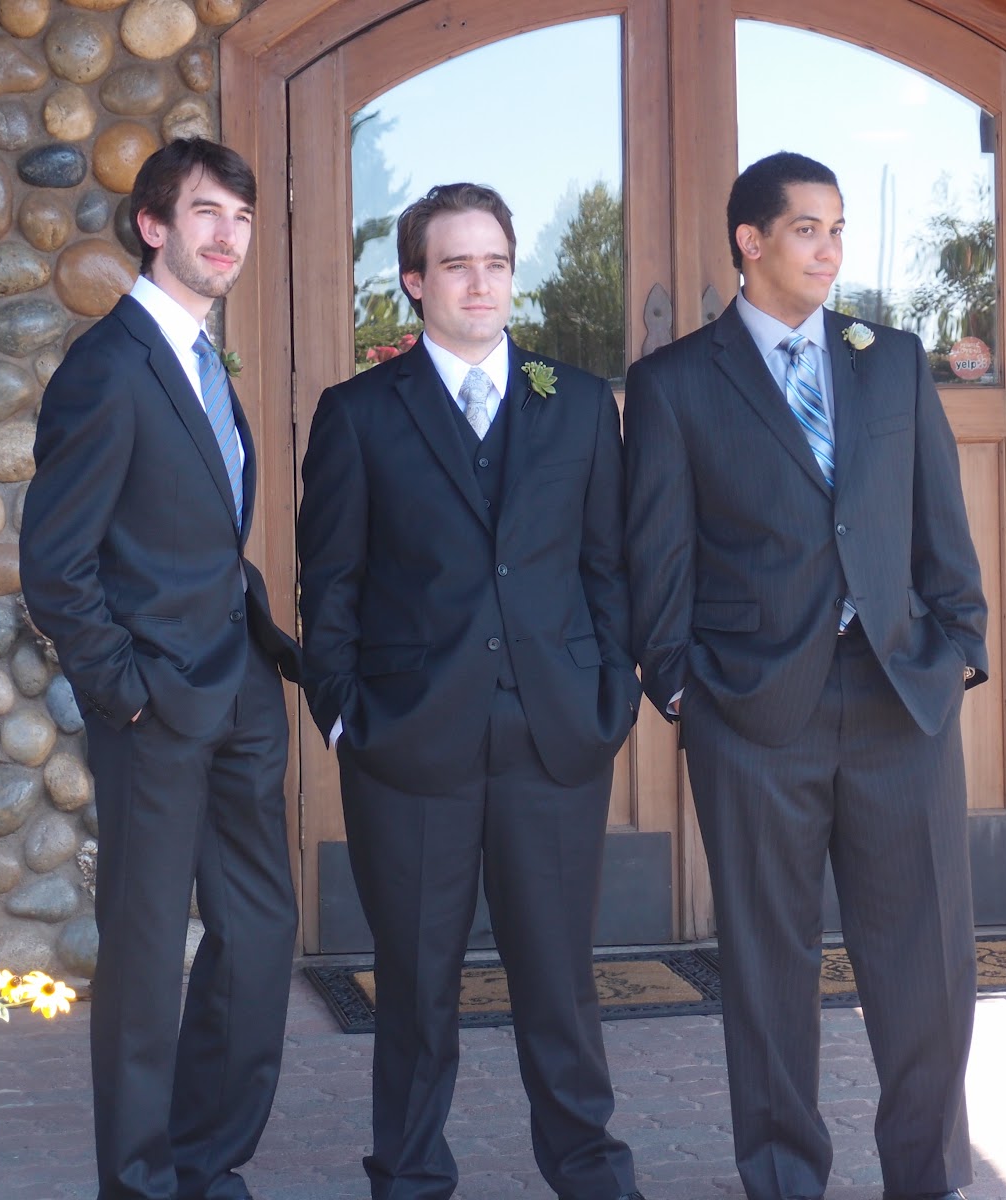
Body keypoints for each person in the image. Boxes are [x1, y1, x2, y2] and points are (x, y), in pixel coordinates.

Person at [623, 151, 988, 1200]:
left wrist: (957, 646)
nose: (829, 251)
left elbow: (938, 521)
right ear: (751, 241)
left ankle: (928, 1178)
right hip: (750, 712)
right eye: (806, 230)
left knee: (926, 967)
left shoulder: (891, 360)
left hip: (898, 698)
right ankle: (784, 1180)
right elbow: (658, 556)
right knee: (767, 970)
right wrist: (682, 690)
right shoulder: (675, 383)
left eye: (837, 230)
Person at [297, 182, 646, 1200]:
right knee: (414, 988)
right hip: (408, 745)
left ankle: (591, 1175)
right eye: (457, 264)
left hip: (555, 736)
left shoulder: (574, 401)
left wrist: (611, 698)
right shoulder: (359, 413)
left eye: (495, 262)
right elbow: (331, 582)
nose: (480, 282)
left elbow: (606, 567)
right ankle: (409, 1177)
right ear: (415, 281)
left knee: (560, 982)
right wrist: (345, 717)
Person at [20, 138, 301, 1200]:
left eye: (242, 216)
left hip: (239, 688)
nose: (228, 235)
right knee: (144, 960)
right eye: (207, 213)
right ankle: (138, 1182)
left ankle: (204, 1159)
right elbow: (55, 563)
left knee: (260, 932)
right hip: (154, 706)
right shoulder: (107, 368)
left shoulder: (202, 361)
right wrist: (123, 692)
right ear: (153, 226)